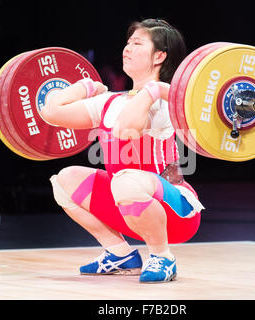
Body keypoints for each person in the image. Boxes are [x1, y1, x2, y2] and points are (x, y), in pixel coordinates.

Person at [41, 18, 205, 283]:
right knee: (65, 180)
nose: (127, 48)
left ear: (159, 56)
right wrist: (87, 87)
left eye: (137, 43)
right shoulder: (112, 101)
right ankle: (120, 255)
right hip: (127, 200)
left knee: (126, 180)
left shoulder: (166, 104)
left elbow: (125, 129)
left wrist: (154, 89)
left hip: (177, 212)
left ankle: (163, 257)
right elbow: (51, 112)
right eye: (127, 43)